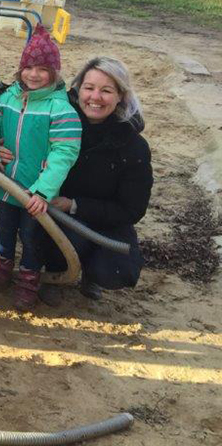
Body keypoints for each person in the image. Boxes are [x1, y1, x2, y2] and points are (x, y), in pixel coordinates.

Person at [18, 58, 151, 304]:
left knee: (116, 270)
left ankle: (92, 274)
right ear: (78, 89)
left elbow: (132, 209)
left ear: (121, 96)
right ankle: (55, 274)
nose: (95, 97)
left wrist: (74, 204)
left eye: (106, 91)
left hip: (101, 217)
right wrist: (4, 147)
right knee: (49, 237)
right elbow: (19, 130)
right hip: (52, 212)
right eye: (89, 88)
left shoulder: (133, 146)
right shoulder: (58, 120)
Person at [0, 26, 81, 311]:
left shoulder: (61, 109)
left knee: (33, 236)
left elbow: (64, 153)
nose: (33, 74)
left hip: (36, 194)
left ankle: (29, 279)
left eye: (42, 69)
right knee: (4, 228)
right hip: (6, 184)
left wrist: (44, 190)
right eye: (28, 67)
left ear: (54, 73)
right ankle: (1, 268)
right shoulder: (7, 98)